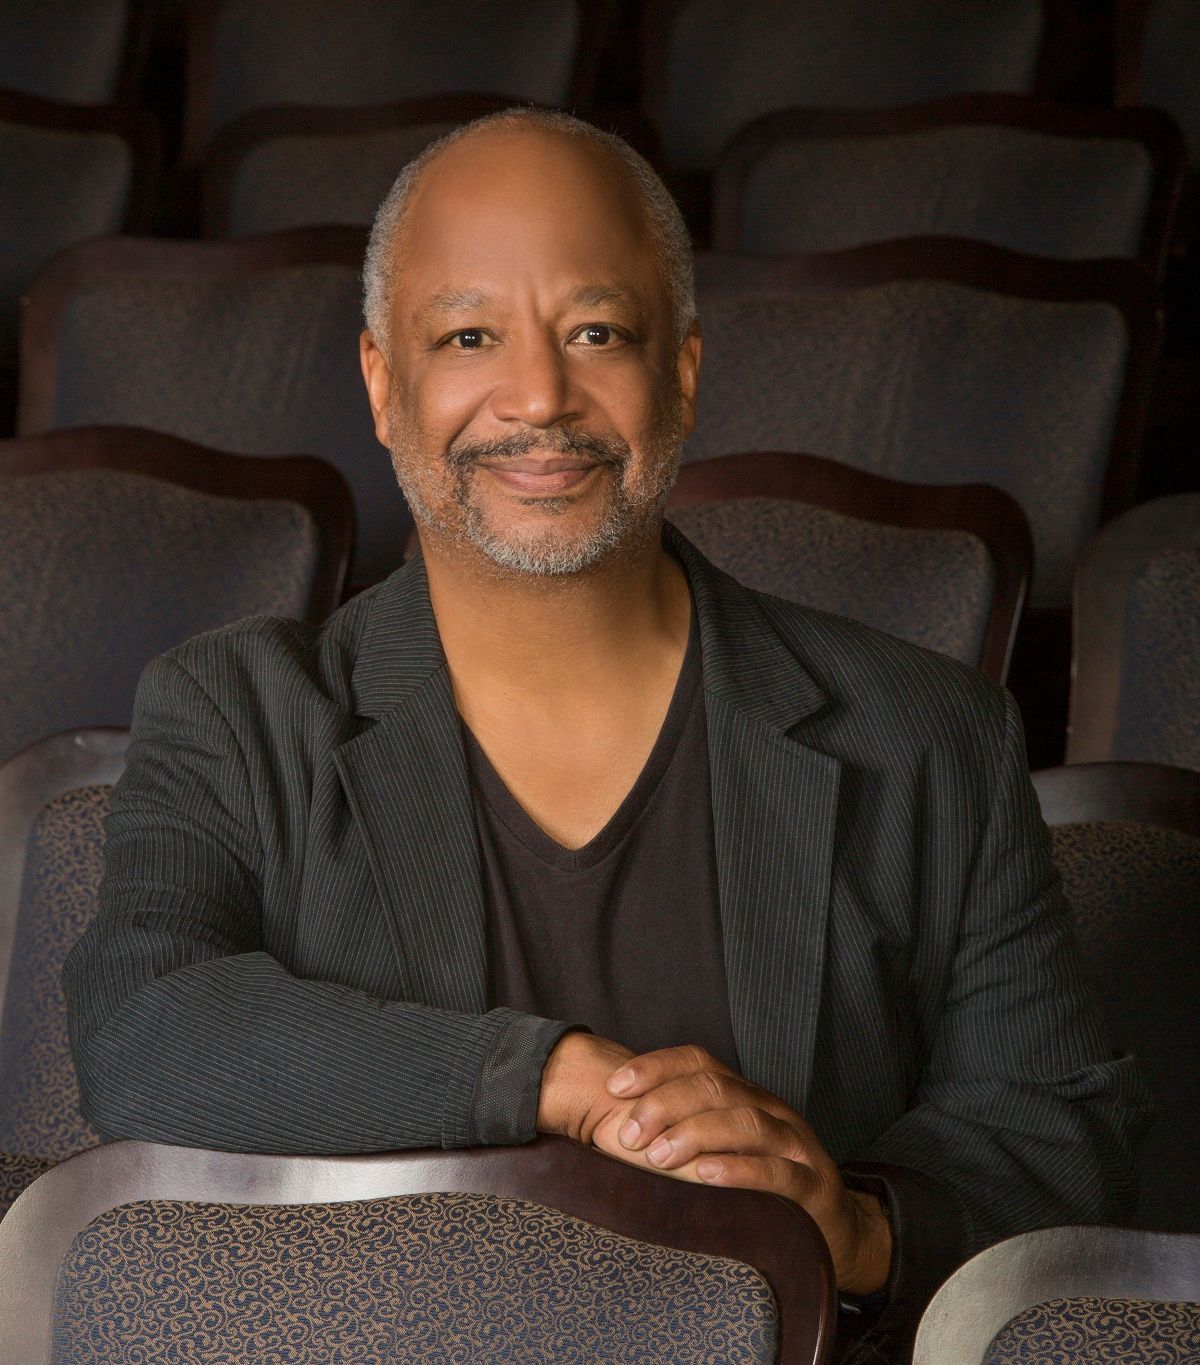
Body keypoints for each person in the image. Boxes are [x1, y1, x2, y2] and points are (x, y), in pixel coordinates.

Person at [63, 109, 1148, 1359]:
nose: (538, 396)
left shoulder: (929, 733)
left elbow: (1062, 1133)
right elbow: (146, 1025)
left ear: (681, 369)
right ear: (381, 382)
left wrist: (855, 1227)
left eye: (596, 333)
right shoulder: (235, 711)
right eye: (470, 336)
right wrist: (557, 1083)